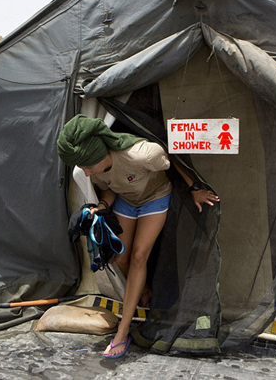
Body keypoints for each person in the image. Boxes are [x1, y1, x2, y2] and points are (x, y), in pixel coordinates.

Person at [57, 114, 220, 358]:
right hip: (127, 201)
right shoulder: (91, 170)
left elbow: (173, 157)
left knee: (139, 256)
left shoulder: (143, 154)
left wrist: (194, 187)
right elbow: (110, 188)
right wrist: (101, 206)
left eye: (89, 168)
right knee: (120, 258)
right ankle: (142, 290)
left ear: (100, 155)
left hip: (155, 198)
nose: (87, 174)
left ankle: (123, 332)